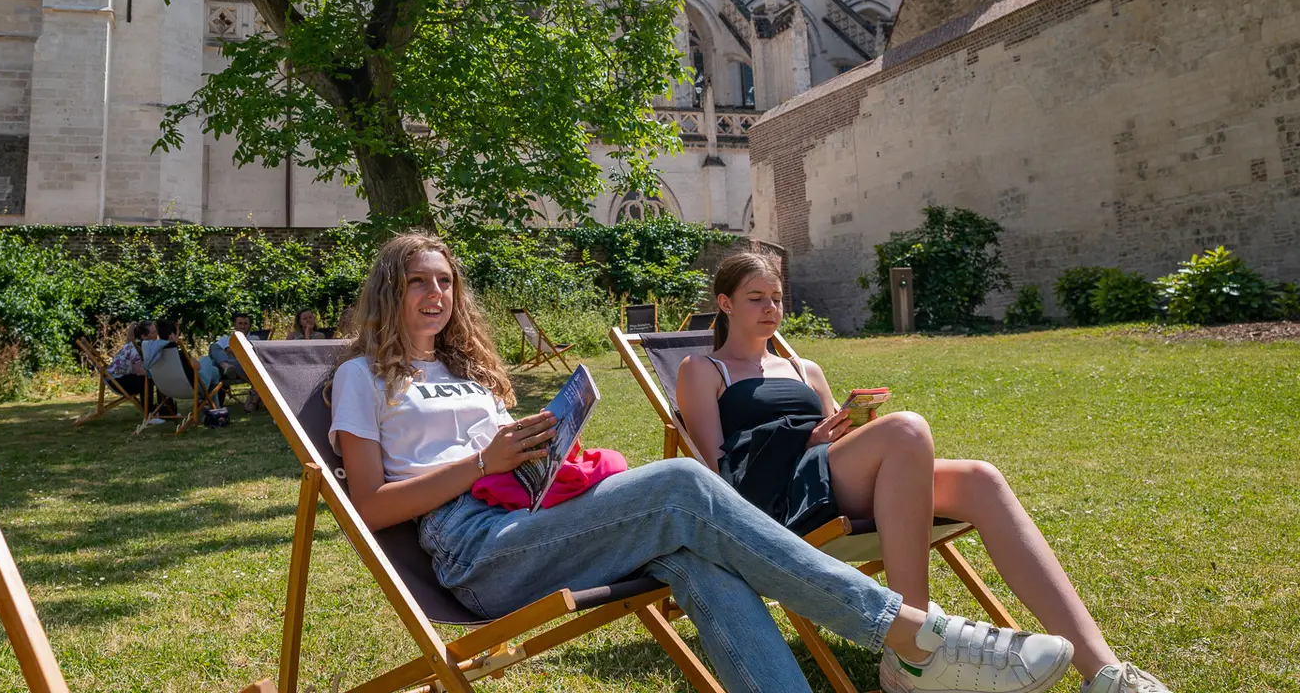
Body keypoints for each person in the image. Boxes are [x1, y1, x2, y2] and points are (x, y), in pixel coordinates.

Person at [332, 232, 1074, 693]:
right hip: (476, 552)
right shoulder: (360, 379)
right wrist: (480, 461)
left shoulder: (473, 374)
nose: (436, 293)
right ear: (390, 291)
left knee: (696, 558)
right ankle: (914, 637)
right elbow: (368, 507)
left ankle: (910, 641)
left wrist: (544, 449)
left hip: (538, 519)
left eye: (445, 280)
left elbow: (509, 469)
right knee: (686, 485)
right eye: (419, 280)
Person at [675, 252, 1169, 693]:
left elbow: (844, 442)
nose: (770, 309)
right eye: (756, 298)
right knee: (907, 430)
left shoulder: (806, 368)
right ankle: (913, 650)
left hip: (836, 476)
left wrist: (846, 428)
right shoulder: (703, 369)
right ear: (725, 303)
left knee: (980, 477)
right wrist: (806, 440)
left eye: (778, 298)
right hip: (777, 498)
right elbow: (718, 473)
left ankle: (1103, 673)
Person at [201, 313, 263, 411]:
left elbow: (249, 356)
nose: (243, 326)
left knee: (213, 364)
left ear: (249, 325)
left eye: (245, 323)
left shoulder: (254, 339)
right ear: (235, 325)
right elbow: (214, 349)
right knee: (213, 348)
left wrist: (229, 351)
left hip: (244, 367)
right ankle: (225, 366)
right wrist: (232, 352)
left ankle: (204, 400)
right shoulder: (225, 339)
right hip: (226, 369)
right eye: (240, 323)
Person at [105, 321, 157, 414]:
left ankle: (161, 409)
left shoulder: (139, 344)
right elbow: (140, 371)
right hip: (116, 381)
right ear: (144, 336)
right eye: (153, 333)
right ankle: (149, 413)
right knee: (147, 379)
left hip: (120, 377)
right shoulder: (136, 349)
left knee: (154, 377)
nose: (156, 335)